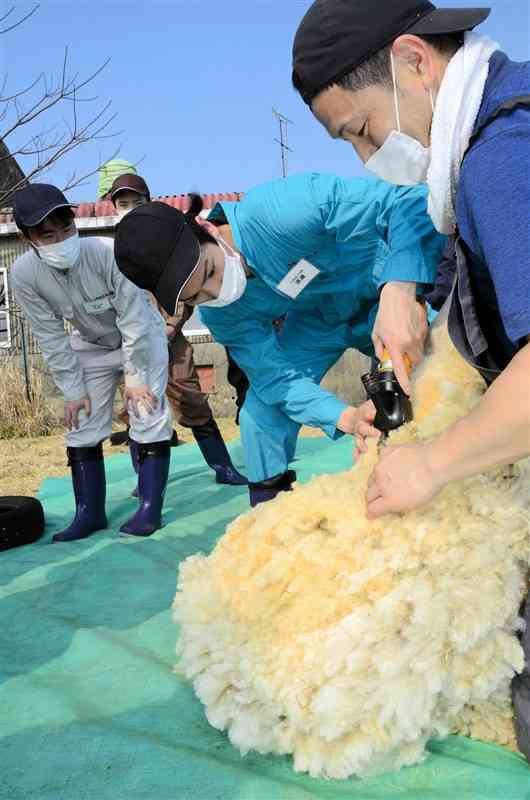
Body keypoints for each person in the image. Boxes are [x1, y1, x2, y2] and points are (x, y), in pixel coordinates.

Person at [292, 0, 530, 761]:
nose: (368, 157)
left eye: (360, 130)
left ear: (415, 62)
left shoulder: (503, 158)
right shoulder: (482, 134)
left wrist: (432, 461)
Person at [114, 172, 445, 507]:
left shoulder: (283, 211)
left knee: (425, 380)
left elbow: (408, 200)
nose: (216, 293)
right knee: (259, 415)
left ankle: (451, 481)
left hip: (387, 293)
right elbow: (274, 377)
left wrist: (401, 290)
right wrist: (345, 418)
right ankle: (270, 515)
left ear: (208, 230)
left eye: (211, 273)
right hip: (318, 321)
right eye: (198, 296)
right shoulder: (221, 313)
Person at [11, 184, 173, 541]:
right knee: (80, 421)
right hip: (91, 343)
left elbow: (133, 318)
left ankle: (149, 510)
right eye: (48, 235)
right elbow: (50, 335)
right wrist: (72, 389)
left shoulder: (106, 253)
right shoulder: (23, 275)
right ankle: (89, 513)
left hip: (141, 337)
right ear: (28, 238)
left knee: (146, 412)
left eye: (66, 229)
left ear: (76, 224)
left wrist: (135, 376)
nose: (61, 239)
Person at [107, 173, 247, 486]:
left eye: (136, 202)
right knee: (137, 409)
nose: (129, 208)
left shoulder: (165, 232)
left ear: (148, 201)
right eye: (123, 203)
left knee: (192, 400)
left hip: (172, 340)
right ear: (114, 207)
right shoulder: (112, 249)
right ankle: (143, 479)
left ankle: (223, 468)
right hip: (134, 345)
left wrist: (171, 326)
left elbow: (188, 281)